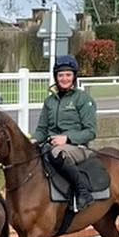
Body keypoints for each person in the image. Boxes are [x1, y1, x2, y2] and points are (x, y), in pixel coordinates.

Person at [32, 53, 97, 216]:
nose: (64, 78)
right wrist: (33, 141)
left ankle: (83, 192)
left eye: (68, 75)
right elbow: (42, 129)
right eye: (61, 75)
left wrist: (67, 138)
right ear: (56, 77)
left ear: (74, 76)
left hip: (78, 147)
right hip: (51, 146)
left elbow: (90, 132)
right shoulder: (49, 101)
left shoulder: (83, 99)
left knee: (57, 153)